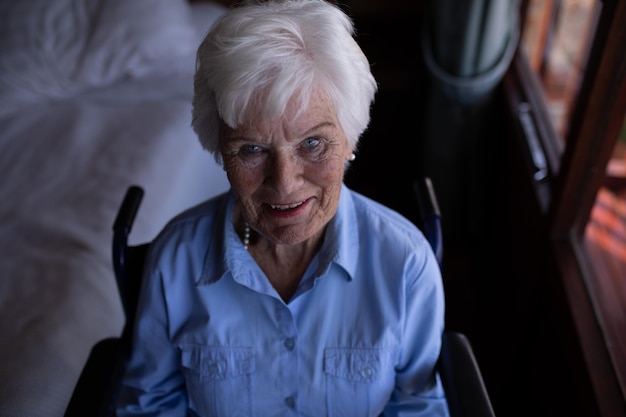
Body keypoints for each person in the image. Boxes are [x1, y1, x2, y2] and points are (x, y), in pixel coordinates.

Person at [117, 1, 449, 416]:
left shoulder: (406, 265)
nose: (285, 182)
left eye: (312, 143)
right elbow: (150, 405)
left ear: (350, 138)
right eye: (252, 149)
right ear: (219, 151)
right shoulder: (175, 261)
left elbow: (418, 405)